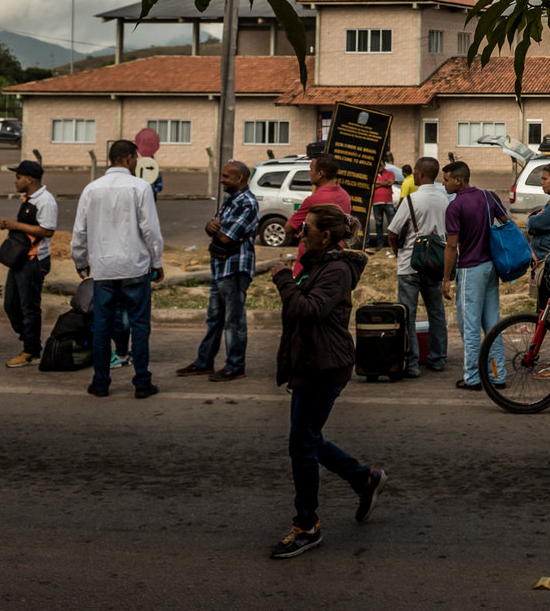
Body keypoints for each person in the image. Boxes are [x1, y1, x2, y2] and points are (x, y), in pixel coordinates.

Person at [270, 204, 385, 559]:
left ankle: (307, 526)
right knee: (306, 439)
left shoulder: (336, 269)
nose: (300, 235)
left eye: (307, 230)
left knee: (302, 444)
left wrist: (284, 279)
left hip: (325, 366)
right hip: (311, 362)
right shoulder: (319, 262)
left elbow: (308, 309)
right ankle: (363, 479)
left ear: (327, 236)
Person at [71, 139, 166, 399]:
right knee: (140, 325)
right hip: (135, 267)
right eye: (135, 159)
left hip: (104, 269)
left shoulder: (91, 189)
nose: (136, 163)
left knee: (102, 325)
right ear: (128, 159)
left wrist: (81, 262)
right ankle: (142, 382)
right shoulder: (140, 188)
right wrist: (157, 262)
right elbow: (150, 230)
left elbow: (79, 231)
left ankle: (101, 382)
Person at [181, 160, 257, 381]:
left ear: (240, 178)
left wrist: (214, 227)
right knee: (214, 318)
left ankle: (235, 366)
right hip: (220, 267)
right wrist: (210, 226)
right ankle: (204, 362)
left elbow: (224, 236)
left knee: (234, 320)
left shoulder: (247, 203)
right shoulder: (229, 200)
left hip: (234, 269)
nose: (222, 180)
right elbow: (211, 227)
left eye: (226, 176)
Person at [441, 159, 505, 390]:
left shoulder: (455, 206)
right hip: (491, 266)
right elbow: (506, 224)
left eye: (446, 180)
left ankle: (473, 377)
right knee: (492, 324)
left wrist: (446, 279)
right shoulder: (489, 197)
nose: (444, 184)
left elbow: (450, 246)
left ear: (459, 180)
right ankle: (497, 375)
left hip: (470, 269)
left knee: (469, 326)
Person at [387, 156, 449, 378]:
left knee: (407, 315)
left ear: (421, 174)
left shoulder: (411, 200)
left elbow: (393, 232)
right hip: (435, 265)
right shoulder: (445, 200)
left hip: (409, 265)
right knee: (437, 313)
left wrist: (397, 252)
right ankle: (438, 358)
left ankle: (411, 364)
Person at [0, 159, 58, 368]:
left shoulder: (45, 201)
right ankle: (30, 343)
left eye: (18, 177)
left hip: (33, 261)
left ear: (29, 179)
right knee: (10, 305)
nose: (15, 181)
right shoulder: (29, 198)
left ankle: (31, 350)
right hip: (19, 260)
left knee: (29, 307)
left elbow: (48, 230)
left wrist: (16, 225)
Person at [286, 146, 353, 237]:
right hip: (337, 249)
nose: (309, 173)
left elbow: (288, 228)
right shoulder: (344, 196)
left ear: (320, 174)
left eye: (311, 170)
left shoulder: (314, 200)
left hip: (314, 250)